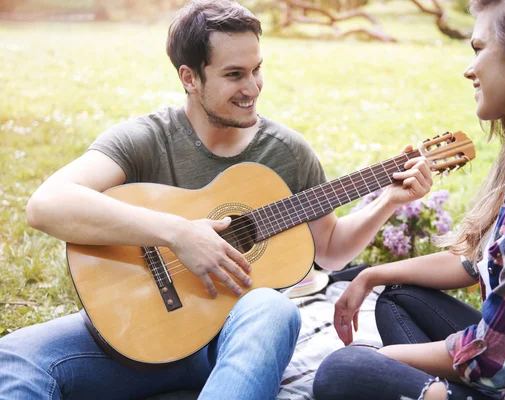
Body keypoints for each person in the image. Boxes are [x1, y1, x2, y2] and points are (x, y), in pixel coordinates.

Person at [0, 1, 433, 399]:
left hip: (236, 344)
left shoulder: (286, 152)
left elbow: (332, 251)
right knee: (15, 358)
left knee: (273, 309)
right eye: (234, 74)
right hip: (136, 337)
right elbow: (47, 204)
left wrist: (388, 202)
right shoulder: (147, 138)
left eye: (256, 69)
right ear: (189, 77)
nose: (253, 87)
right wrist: (179, 233)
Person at [313, 0, 505, 399]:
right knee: (399, 300)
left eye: (479, 50)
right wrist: (371, 274)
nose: (469, 69)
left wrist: (383, 359)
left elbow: (494, 357)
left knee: (343, 369)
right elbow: (475, 262)